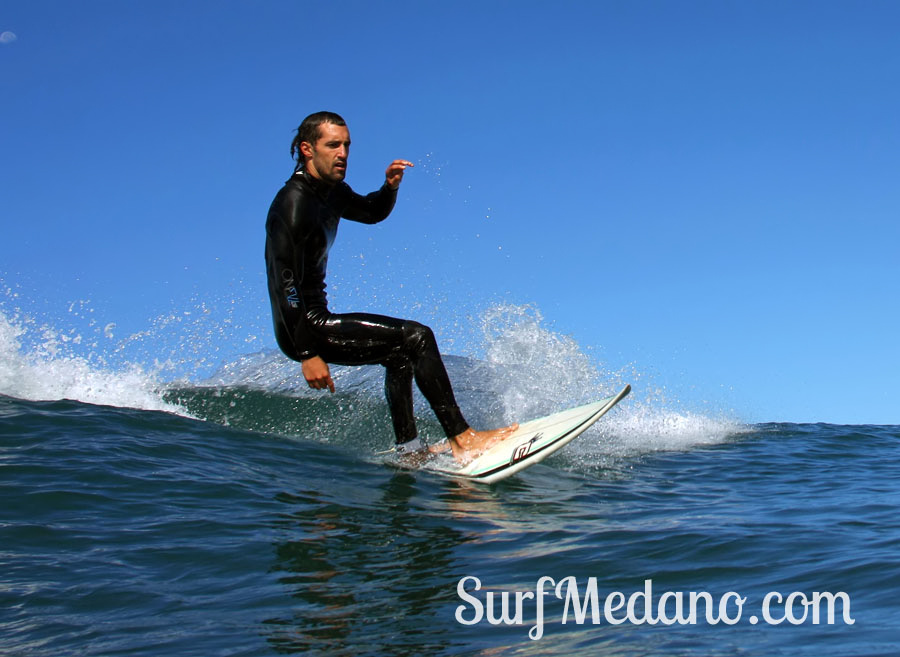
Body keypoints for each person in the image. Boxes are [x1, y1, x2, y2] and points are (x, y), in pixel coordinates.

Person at [264, 111, 517, 463]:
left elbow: (370, 212)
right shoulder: (293, 203)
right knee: (417, 336)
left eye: (347, 146)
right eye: (333, 145)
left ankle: (409, 450)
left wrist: (389, 188)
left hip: (311, 322)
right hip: (303, 326)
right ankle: (463, 438)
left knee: (399, 354)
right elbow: (284, 282)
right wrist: (307, 353)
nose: (343, 154)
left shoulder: (329, 192)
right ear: (307, 149)